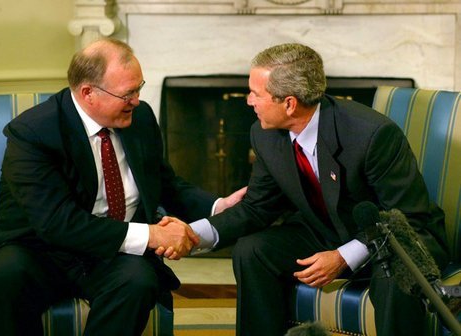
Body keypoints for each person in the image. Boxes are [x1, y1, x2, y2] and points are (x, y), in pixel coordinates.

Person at [164, 43, 449, 336]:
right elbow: (257, 207)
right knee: (253, 250)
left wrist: (342, 256)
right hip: (325, 230)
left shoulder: (372, 135)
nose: (248, 101)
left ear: (289, 103)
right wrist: (193, 233)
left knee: (395, 273)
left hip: (396, 237)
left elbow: (405, 217)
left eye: (255, 94)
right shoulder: (264, 134)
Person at [0, 37, 245, 336]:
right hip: (38, 250)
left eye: (139, 88)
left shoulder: (140, 118)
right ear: (88, 93)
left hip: (111, 254)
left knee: (138, 281)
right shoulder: (33, 133)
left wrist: (218, 206)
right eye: (128, 93)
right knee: (7, 275)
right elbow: (57, 222)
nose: (137, 100)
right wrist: (151, 235)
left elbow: (164, 183)